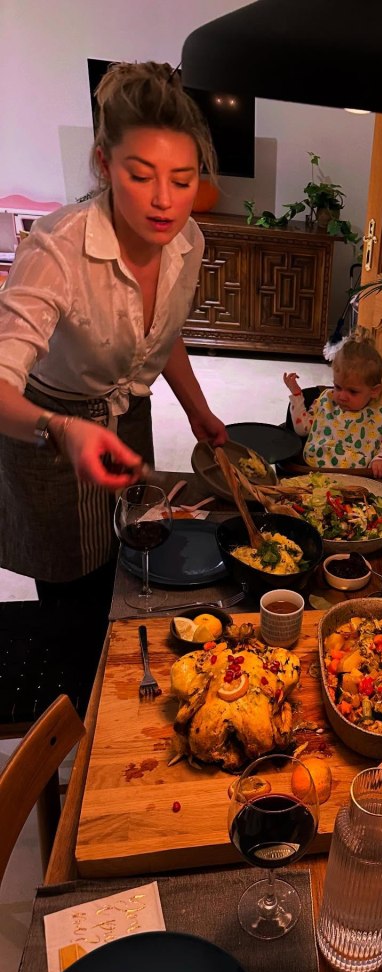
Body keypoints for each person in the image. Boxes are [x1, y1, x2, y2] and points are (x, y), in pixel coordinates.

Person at [0, 61, 227, 615]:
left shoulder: (188, 242)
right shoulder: (58, 248)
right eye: (141, 174)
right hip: (46, 428)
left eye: (182, 180)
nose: (164, 201)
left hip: (127, 415)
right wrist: (62, 430)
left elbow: (159, 332)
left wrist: (198, 410)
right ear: (105, 164)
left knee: (131, 563)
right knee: (74, 594)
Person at [283, 335, 382, 478]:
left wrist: (380, 460)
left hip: (355, 478)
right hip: (314, 472)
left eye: (352, 391)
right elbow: (302, 429)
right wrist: (297, 396)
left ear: (374, 391)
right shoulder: (325, 401)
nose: (341, 396)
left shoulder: (376, 415)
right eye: (338, 387)